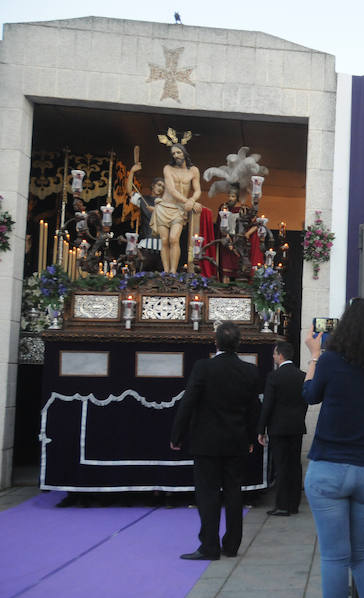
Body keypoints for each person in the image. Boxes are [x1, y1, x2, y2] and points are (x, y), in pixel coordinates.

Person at [303, 298, 364, 598]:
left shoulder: (330, 360)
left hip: (330, 466)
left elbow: (310, 395)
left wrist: (314, 356)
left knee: (334, 557)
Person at [170, 322, 259, 560]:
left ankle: (209, 546)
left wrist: (177, 434)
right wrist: (251, 437)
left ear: (215, 342)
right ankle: (231, 545)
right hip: (236, 440)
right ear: (239, 344)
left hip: (206, 442)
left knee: (208, 494)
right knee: (234, 493)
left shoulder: (203, 367)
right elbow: (253, 409)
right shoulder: (249, 371)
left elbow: (188, 402)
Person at [257, 341, 307, 516]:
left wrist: (261, 429)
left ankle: (282, 505)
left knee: (281, 466)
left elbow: (268, 405)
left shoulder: (274, 376)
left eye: (274, 353)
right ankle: (294, 504)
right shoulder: (302, 376)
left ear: (280, 355)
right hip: (296, 427)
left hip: (278, 427)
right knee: (294, 465)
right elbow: (305, 401)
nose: (273, 356)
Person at [154, 143, 202, 272]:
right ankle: (166, 271)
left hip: (179, 210)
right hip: (164, 207)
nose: (176, 156)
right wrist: (189, 201)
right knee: (164, 240)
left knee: (174, 239)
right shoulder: (168, 168)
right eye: (173, 154)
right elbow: (171, 189)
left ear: (184, 153)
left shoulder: (193, 170)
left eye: (178, 152)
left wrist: (192, 200)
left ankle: (173, 272)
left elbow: (197, 190)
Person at [126, 161, 162, 271]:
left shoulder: (166, 204)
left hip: (162, 247)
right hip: (147, 243)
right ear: (153, 186)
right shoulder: (144, 200)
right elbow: (129, 191)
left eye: (163, 187)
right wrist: (132, 171)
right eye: (159, 185)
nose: (161, 188)